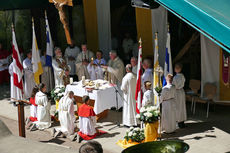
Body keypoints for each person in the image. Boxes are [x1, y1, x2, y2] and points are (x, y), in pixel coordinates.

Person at [173, 63, 186, 128]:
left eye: (177, 67)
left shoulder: (176, 77)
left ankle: (179, 121)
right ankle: (181, 121)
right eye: (176, 67)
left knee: (178, 107)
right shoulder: (182, 76)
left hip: (177, 92)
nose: (176, 69)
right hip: (181, 91)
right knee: (181, 107)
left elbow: (175, 85)